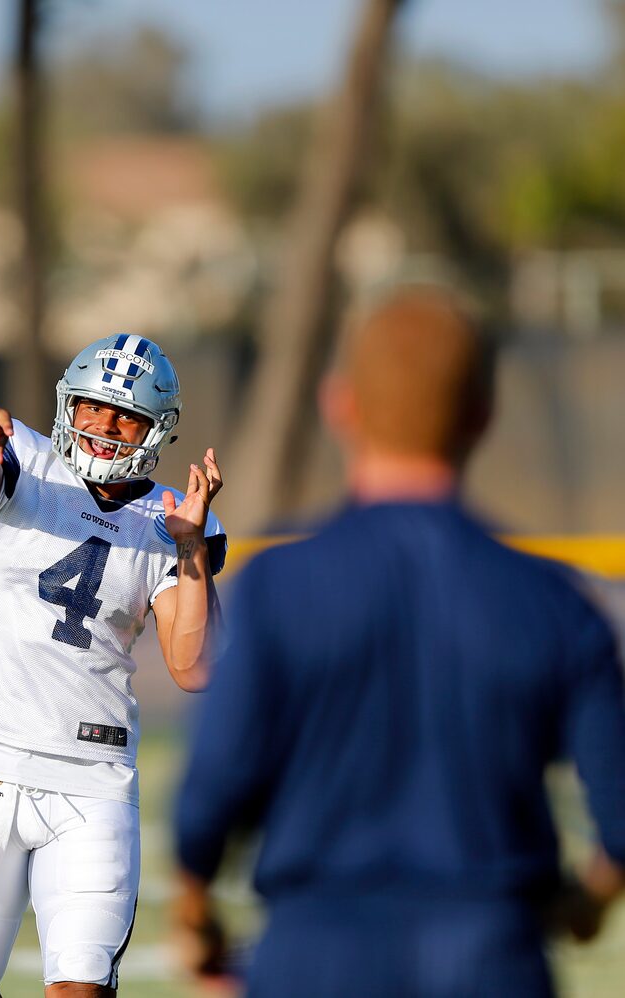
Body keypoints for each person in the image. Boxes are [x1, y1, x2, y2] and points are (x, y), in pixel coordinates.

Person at [172, 287, 625, 997]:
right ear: (483, 414)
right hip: (492, 954)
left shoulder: (280, 588)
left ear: (340, 405)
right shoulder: (557, 604)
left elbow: (211, 795)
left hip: (313, 951)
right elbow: (620, 817)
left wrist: (196, 914)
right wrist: (588, 904)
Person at [0, 332, 226, 998]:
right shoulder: (24, 464)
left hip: (92, 780)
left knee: (80, 988)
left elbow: (194, 666)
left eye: (127, 415)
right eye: (94, 406)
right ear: (69, 405)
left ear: (157, 430)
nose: (106, 426)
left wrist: (193, 551)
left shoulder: (171, 517)